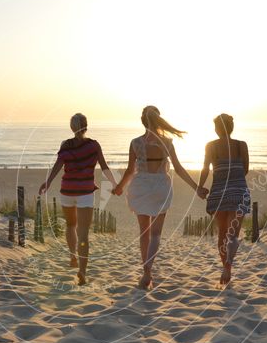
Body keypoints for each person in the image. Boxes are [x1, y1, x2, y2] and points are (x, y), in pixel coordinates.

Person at [113, 106, 205, 289]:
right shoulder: (167, 142)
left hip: (141, 185)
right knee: (155, 234)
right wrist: (196, 188)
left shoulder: (135, 143)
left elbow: (131, 170)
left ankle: (146, 273)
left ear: (142, 121)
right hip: (160, 186)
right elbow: (178, 169)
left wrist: (120, 187)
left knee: (144, 232)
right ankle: (148, 270)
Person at [39, 113, 117, 285]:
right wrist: (114, 183)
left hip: (67, 191)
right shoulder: (94, 145)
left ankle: (73, 256)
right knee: (83, 234)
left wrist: (48, 182)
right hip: (85, 193)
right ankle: (82, 271)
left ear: (72, 128)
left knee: (70, 225)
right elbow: (104, 166)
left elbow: (58, 166)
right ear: (86, 126)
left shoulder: (65, 145)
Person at [198, 113, 251, 285]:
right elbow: (245, 169)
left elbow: (205, 168)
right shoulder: (241, 145)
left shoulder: (210, 146)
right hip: (238, 191)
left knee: (222, 233)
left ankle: (226, 267)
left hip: (219, 192)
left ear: (216, 129)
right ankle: (228, 266)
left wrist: (200, 186)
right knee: (233, 234)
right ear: (231, 127)